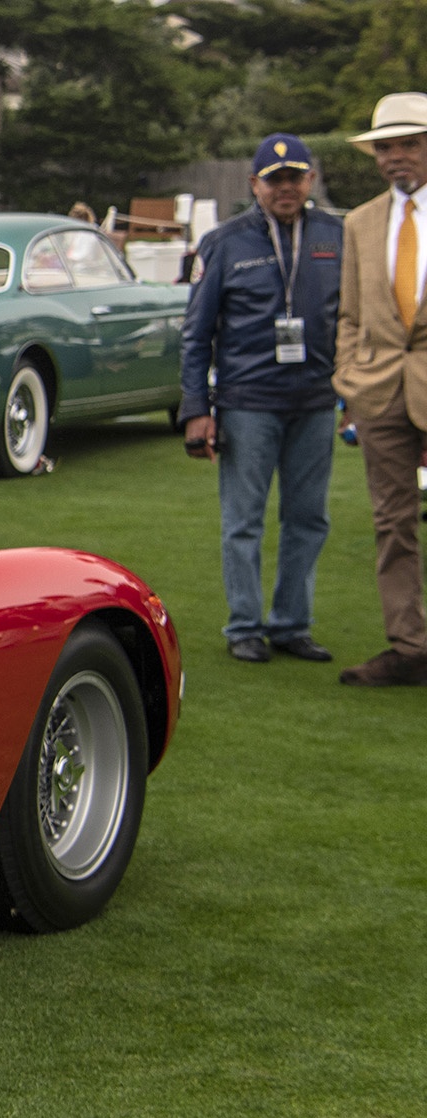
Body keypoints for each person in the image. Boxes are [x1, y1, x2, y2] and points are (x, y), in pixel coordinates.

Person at [178, 134, 342, 665]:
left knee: (309, 517)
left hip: (316, 400)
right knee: (244, 519)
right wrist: (196, 409)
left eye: (295, 177)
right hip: (248, 401)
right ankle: (244, 625)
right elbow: (196, 332)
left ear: (310, 180)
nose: (285, 187)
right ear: (254, 184)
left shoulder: (336, 236)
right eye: (274, 179)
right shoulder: (226, 241)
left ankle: (292, 624)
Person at [333, 93, 427, 686]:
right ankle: (410, 646)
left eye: (409, 145)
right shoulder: (359, 222)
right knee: (393, 523)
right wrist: (350, 374)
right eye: (386, 147)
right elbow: (346, 312)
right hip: (379, 393)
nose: (397, 157)